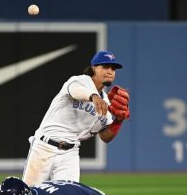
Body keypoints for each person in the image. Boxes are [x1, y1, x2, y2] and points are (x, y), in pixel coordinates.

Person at [22, 50, 130, 186]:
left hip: (70, 153)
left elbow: (105, 136)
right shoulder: (79, 81)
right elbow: (75, 90)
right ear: (94, 68)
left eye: (113, 69)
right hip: (44, 146)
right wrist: (93, 96)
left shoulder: (105, 104)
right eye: (106, 67)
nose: (110, 71)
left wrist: (118, 121)